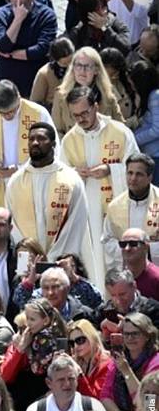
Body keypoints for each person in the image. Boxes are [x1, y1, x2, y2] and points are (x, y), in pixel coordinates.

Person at [58, 85, 137, 285]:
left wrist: (110, 170)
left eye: (85, 113)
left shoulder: (120, 132)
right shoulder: (69, 140)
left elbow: (137, 167)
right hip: (87, 214)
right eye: (75, 115)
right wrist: (75, 174)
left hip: (116, 208)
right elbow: (60, 179)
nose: (81, 119)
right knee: (93, 262)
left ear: (96, 106)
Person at [0, 81, 54, 225]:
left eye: (11, 111)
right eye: (2, 113)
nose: (8, 116)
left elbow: (52, 150)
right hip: (0, 187)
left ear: (19, 98)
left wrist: (20, 170)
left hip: (32, 185)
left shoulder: (38, 114)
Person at [5, 123, 89, 263]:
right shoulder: (16, 181)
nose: (35, 143)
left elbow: (77, 220)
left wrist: (54, 256)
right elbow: (12, 222)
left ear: (53, 144)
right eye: (31, 139)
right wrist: (27, 250)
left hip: (62, 259)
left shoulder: (71, 179)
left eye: (41, 138)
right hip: (27, 259)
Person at [0, 0, 57, 98]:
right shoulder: (0, 14)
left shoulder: (46, 15)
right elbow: (3, 46)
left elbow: (42, 49)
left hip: (35, 78)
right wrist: (18, 20)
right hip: (8, 78)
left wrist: (11, 54)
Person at [100, 312, 159, 411]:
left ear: (147, 336)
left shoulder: (155, 362)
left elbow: (145, 401)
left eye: (135, 334)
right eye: (126, 334)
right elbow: (105, 395)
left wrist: (126, 371)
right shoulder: (119, 358)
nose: (130, 338)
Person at [52, 48, 123, 135]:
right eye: (79, 65)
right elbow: (56, 131)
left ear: (96, 70)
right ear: (73, 68)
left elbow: (120, 128)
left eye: (87, 66)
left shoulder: (108, 94)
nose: (82, 71)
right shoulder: (61, 95)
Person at [63, 0, 130, 53]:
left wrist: (105, 29)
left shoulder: (114, 23)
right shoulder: (78, 32)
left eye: (104, 7)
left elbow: (125, 48)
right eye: (97, 10)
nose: (103, 12)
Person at [67, 319, 112, 398]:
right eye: (72, 343)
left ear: (91, 338)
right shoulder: (77, 361)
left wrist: (79, 373)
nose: (76, 346)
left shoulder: (105, 364)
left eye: (80, 340)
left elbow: (96, 398)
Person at [30, 38, 75, 113]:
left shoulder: (77, 69)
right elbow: (35, 102)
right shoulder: (44, 73)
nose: (69, 66)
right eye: (64, 63)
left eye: (71, 61)